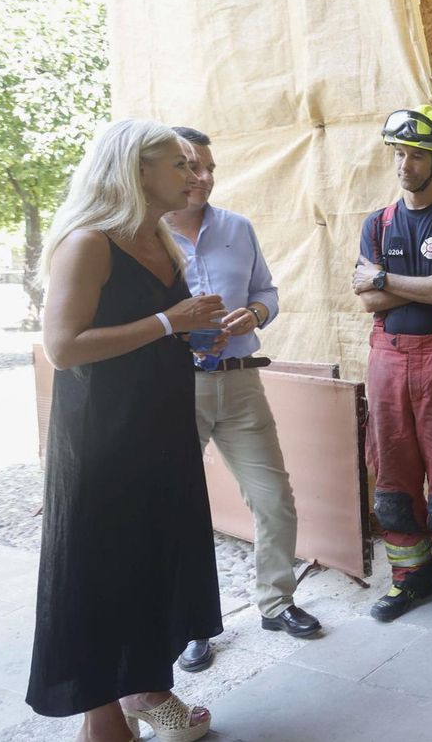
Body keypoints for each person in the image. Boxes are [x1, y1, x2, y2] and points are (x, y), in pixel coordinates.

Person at [29, 118, 222, 742]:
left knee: (153, 561)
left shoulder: (162, 239)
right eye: (180, 165)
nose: (194, 176)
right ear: (135, 171)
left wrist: (195, 330)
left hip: (160, 429)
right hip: (103, 440)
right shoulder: (88, 242)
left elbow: (157, 327)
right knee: (104, 570)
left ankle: (146, 686)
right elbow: (63, 347)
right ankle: (103, 718)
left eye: (193, 166)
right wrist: (170, 323)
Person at [163, 125, 320, 674]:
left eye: (209, 167)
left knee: (273, 497)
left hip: (241, 380)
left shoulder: (236, 227)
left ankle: (277, 603)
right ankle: (190, 626)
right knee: (177, 510)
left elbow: (267, 293)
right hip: (176, 388)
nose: (202, 178)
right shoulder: (143, 235)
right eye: (190, 167)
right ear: (165, 170)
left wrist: (253, 315)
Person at [350, 106, 432, 624]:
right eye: (399, 153)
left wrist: (384, 281)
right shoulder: (377, 224)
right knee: (391, 468)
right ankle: (409, 578)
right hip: (385, 357)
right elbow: (367, 304)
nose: (405, 164)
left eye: (416, 155)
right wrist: (411, 288)